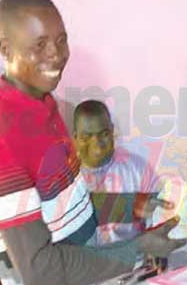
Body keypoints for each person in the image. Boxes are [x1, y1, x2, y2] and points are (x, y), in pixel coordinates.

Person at [0, 0, 182, 285]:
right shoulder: (2, 139)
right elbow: (38, 267)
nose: (55, 55)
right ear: (6, 49)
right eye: (39, 44)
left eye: (61, 40)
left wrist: (138, 206)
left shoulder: (46, 112)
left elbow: (71, 209)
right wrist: (137, 249)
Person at [71, 100, 173, 245]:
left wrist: (156, 247)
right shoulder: (64, 179)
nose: (97, 146)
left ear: (112, 131)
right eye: (87, 137)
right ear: (75, 137)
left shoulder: (136, 169)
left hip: (137, 260)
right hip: (87, 263)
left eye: (104, 134)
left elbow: (162, 213)